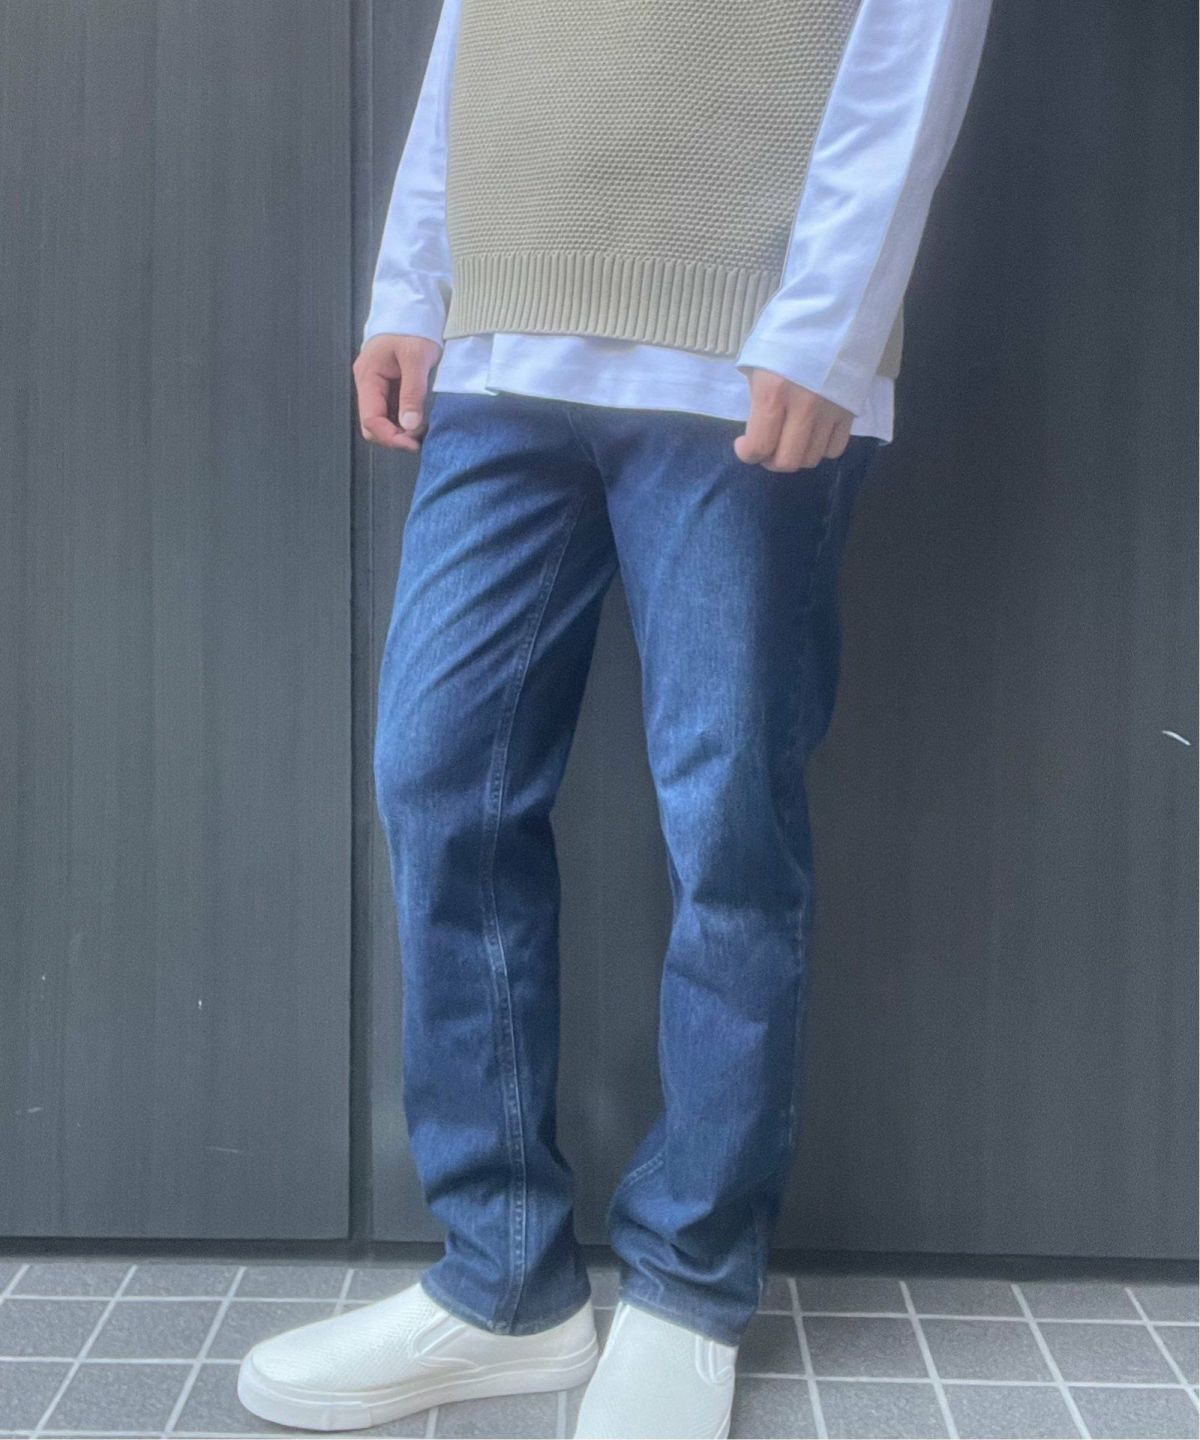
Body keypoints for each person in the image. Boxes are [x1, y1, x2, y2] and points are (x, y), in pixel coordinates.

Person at [237, 1, 992, 1435]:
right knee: (437, 781)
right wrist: (413, 283)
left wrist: (831, 321)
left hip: (741, 349)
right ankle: (501, 1281)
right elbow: (481, 28)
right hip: (500, 352)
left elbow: (918, 28)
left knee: (727, 821)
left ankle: (690, 1290)